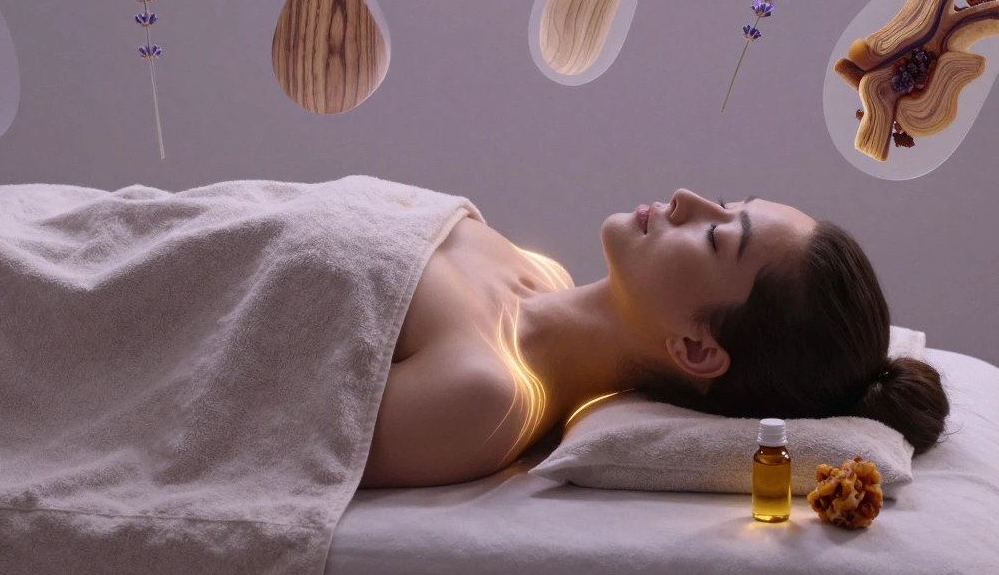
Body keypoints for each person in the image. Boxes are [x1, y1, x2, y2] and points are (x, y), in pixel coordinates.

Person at [359, 188, 950, 488]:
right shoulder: (539, 273)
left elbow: (274, 426)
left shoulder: (484, 398)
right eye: (723, 202)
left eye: (717, 237)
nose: (687, 199)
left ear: (697, 348)